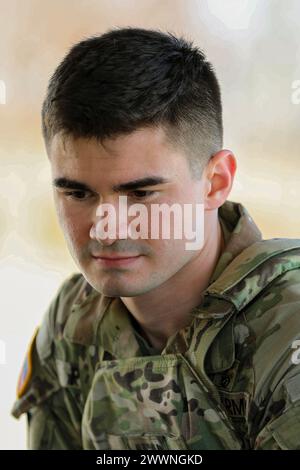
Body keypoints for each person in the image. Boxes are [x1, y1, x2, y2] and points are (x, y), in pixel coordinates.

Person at [11, 27, 300, 450]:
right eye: (77, 192)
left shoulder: (286, 336)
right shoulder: (73, 323)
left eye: (141, 193)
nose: (107, 226)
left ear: (215, 182)